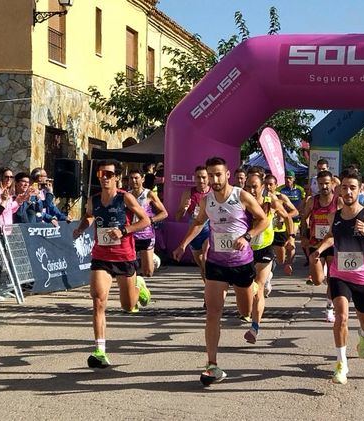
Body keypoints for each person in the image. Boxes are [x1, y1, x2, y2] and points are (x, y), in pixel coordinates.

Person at [172, 156, 268, 386]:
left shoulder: (241, 196)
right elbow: (198, 222)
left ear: (227, 174)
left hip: (241, 263)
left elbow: (263, 220)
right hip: (216, 263)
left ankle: (254, 289)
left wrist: (247, 236)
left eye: (218, 174)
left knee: (244, 311)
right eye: (210, 175)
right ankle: (212, 365)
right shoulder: (207, 200)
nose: (214, 179)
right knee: (213, 313)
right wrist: (183, 244)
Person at [71, 159, 152, 369]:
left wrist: (124, 230)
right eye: (101, 174)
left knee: (128, 306)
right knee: (98, 300)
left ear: (116, 177)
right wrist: (81, 228)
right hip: (101, 257)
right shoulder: (93, 200)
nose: (105, 178)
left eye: (108, 174)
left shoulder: (125, 198)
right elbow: (90, 216)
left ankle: (139, 284)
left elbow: (145, 220)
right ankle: (99, 351)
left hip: (124, 256)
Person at [310, 169, 364, 385]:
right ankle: (341, 364)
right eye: (344, 187)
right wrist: (319, 249)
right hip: (339, 274)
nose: (348, 191)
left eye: (352, 187)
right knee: (341, 316)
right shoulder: (335, 215)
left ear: (360, 190)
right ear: (339, 189)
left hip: (363, 278)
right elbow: (332, 237)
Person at [244, 173, 293, 343]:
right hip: (246, 250)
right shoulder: (242, 202)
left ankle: (254, 328)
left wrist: (291, 236)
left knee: (259, 287)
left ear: (262, 186)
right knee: (247, 289)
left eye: (254, 186)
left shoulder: (270, 201)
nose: (251, 189)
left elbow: (287, 217)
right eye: (248, 186)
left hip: (264, 248)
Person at [300, 170, 339, 322]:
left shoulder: (338, 201)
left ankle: (329, 307)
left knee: (332, 279)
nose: (324, 187)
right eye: (321, 184)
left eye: (327, 184)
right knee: (317, 280)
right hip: (315, 243)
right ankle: (321, 272)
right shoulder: (312, 201)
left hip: (333, 243)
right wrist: (303, 235)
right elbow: (304, 218)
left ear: (332, 184)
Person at [174, 166, 211, 284]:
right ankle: (208, 287)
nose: (201, 180)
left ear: (208, 178)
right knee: (201, 264)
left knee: (206, 257)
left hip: (209, 229)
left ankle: (211, 288)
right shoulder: (188, 193)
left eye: (204, 177)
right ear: (194, 179)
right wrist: (184, 208)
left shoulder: (213, 193)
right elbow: (178, 217)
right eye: (198, 177)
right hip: (194, 231)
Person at [128, 170, 168, 277]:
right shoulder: (126, 195)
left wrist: (150, 220)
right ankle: (136, 287)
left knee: (148, 272)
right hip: (131, 234)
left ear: (142, 179)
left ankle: (152, 257)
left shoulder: (149, 194)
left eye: (136, 178)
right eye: (131, 178)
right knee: (129, 269)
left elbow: (164, 213)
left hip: (146, 234)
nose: (134, 180)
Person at [265, 174, 298, 278]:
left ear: (276, 185)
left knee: (281, 260)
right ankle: (267, 271)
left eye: (271, 184)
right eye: (266, 184)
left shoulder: (281, 197)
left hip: (279, 231)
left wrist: (284, 216)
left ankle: (274, 260)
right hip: (266, 231)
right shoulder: (260, 197)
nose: (268, 187)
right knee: (265, 255)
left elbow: (295, 211)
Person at [280, 170, 307, 265]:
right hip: (283, 218)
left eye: (290, 178)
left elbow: (304, 201)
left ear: (294, 179)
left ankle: (289, 262)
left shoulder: (299, 189)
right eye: (286, 178)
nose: (288, 180)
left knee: (291, 238)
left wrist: (302, 212)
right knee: (285, 238)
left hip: (295, 218)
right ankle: (286, 257)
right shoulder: (281, 189)